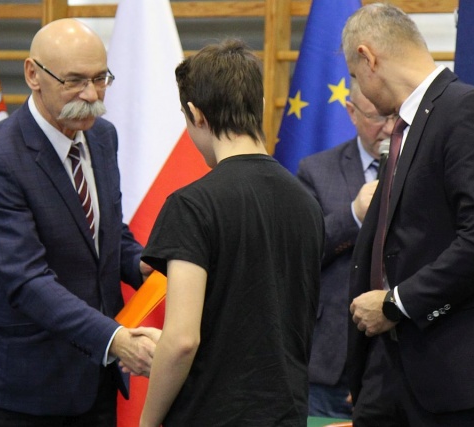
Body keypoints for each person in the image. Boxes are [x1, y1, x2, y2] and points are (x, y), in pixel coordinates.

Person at [341, 4, 474, 426]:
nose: (359, 88)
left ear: (368, 57)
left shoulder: (468, 110)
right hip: (396, 374)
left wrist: (395, 305)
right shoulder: (409, 126)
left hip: (471, 381)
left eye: (355, 76)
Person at [0, 18, 159, 426]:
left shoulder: (102, 137)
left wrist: (144, 265)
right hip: (22, 392)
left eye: (100, 79)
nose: (91, 95)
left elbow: (106, 233)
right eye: (74, 81)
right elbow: (27, 280)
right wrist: (115, 340)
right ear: (33, 74)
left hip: (95, 382)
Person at [136, 39, 325, 427]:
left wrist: (147, 422)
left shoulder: (191, 205)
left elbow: (182, 340)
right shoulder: (307, 203)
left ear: (196, 114)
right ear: (258, 104)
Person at [296, 79, 393, 418]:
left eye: (395, 115)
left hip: (400, 359)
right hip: (330, 362)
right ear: (352, 113)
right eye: (378, 117)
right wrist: (354, 215)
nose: (389, 128)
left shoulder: (421, 167)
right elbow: (300, 251)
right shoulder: (316, 170)